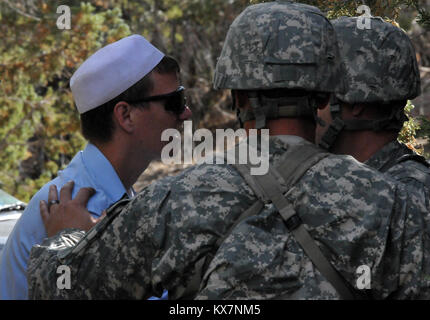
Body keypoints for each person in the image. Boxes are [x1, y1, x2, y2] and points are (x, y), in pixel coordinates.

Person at [27, 1, 429, 300]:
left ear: (238, 95)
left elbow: (55, 286)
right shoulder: (394, 202)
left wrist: (65, 237)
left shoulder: (177, 199)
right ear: (325, 95)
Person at [0, 34, 191, 299]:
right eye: (175, 102)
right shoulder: (80, 207)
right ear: (126, 116)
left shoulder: (100, 193)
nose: (186, 113)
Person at [315, 16, 430, 194]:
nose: (308, 108)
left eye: (319, 97)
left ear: (356, 103)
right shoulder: (337, 178)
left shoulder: (407, 194)